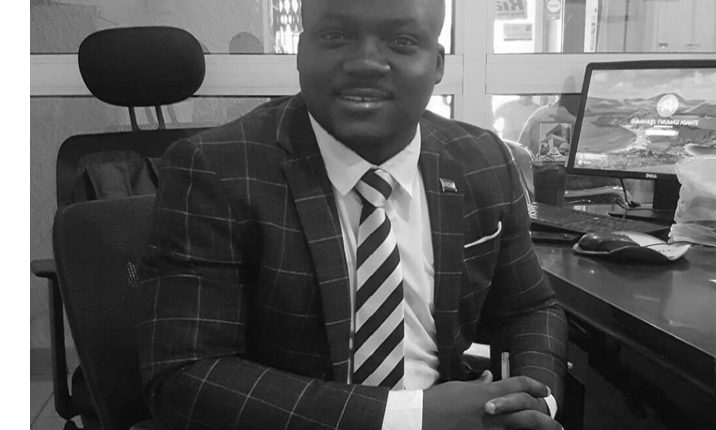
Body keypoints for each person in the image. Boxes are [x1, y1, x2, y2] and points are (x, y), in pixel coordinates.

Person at [137, 0, 568, 429]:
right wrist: (411, 419)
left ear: (437, 63)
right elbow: (185, 374)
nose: (365, 63)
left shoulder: (483, 160)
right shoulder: (216, 168)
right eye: (336, 35)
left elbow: (529, 308)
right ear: (302, 51)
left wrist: (531, 402)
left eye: (402, 40)